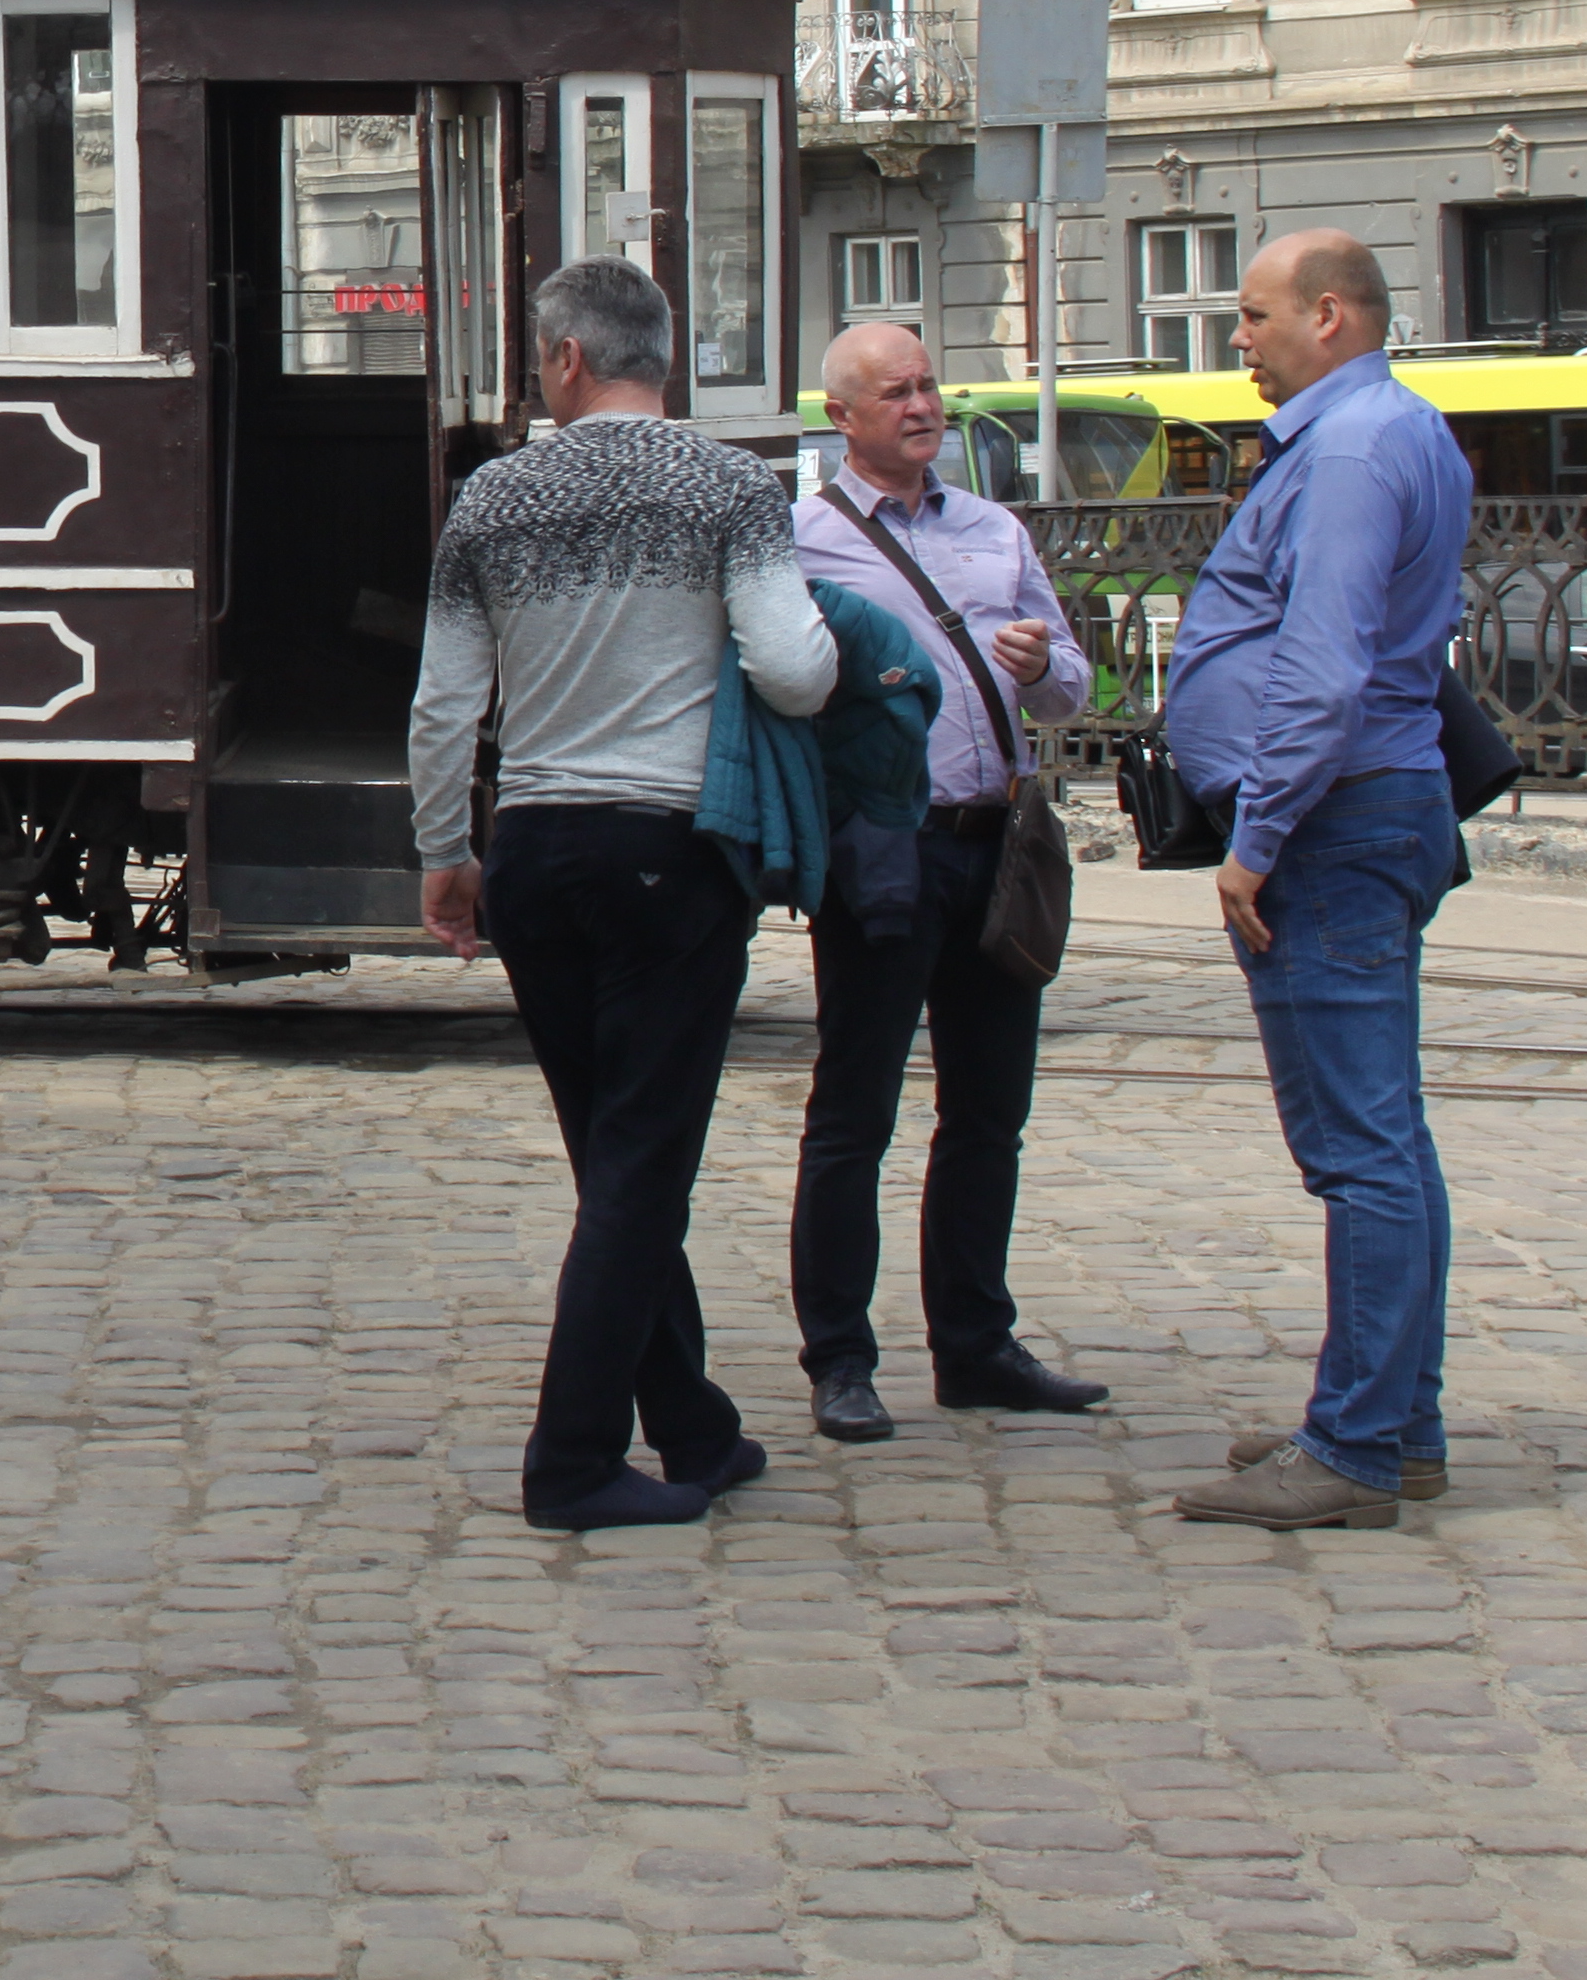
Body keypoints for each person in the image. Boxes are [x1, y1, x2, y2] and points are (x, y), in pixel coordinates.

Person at [416, 256, 839, 1532]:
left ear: (561, 360)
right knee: (644, 1169)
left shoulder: (493, 495)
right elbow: (797, 670)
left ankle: (695, 1429)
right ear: (663, 356)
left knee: (613, 1157)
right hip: (669, 849)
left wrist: (446, 849)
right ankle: (573, 1462)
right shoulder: (727, 484)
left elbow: (447, 699)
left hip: (537, 848)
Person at [1161, 228, 1475, 1532]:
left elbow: (1326, 667)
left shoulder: (1347, 452)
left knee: (1361, 1148)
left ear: (1330, 317)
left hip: (1335, 823)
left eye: (1252, 317)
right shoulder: (1394, 431)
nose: (1238, 339)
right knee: (1384, 1136)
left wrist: (1257, 838)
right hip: (1364, 811)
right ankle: (1394, 1424)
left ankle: (1353, 1447)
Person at [788, 324, 1113, 1445]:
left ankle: (975, 1345)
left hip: (995, 844)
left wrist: (1045, 667)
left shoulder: (993, 528)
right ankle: (839, 1357)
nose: (922, 405)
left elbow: (1071, 688)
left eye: (930, 386)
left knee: (988, 1109)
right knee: (855, 1109)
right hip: (882, 846)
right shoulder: (804, 538)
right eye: (896, 391)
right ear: (844, 416)